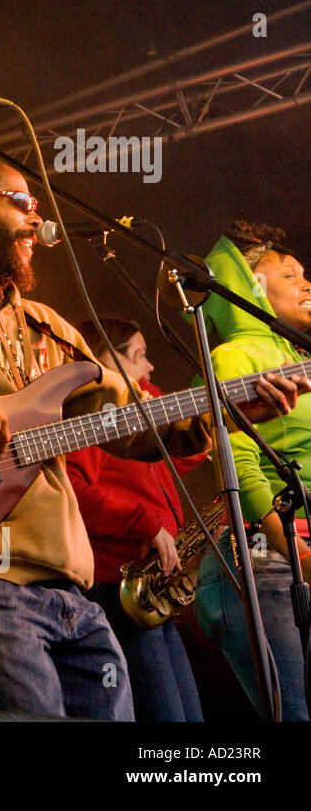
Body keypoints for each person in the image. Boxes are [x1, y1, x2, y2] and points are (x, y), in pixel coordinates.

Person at [0, 132, 303, 719]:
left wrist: (228, 413)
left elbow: (136, 429)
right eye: (19, 200)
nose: (36, 214)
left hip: (69, 589)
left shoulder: (49, 328)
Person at [193, 221, 311, 721]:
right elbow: (235, 459)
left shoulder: (299, 356)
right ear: (250, 286)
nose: (307, 283)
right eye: (289, 274)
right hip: (261, 557)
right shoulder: (236, 354)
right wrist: (300, 555)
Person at [65, 317, 208, 721]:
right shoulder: (88, 411)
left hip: (151, 587)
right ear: (105, 359)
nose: (150, 369)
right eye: (139, 356)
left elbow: (172, 461)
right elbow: (73, 492)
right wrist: (146, 522)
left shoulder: (135, 409)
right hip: (116, 588)